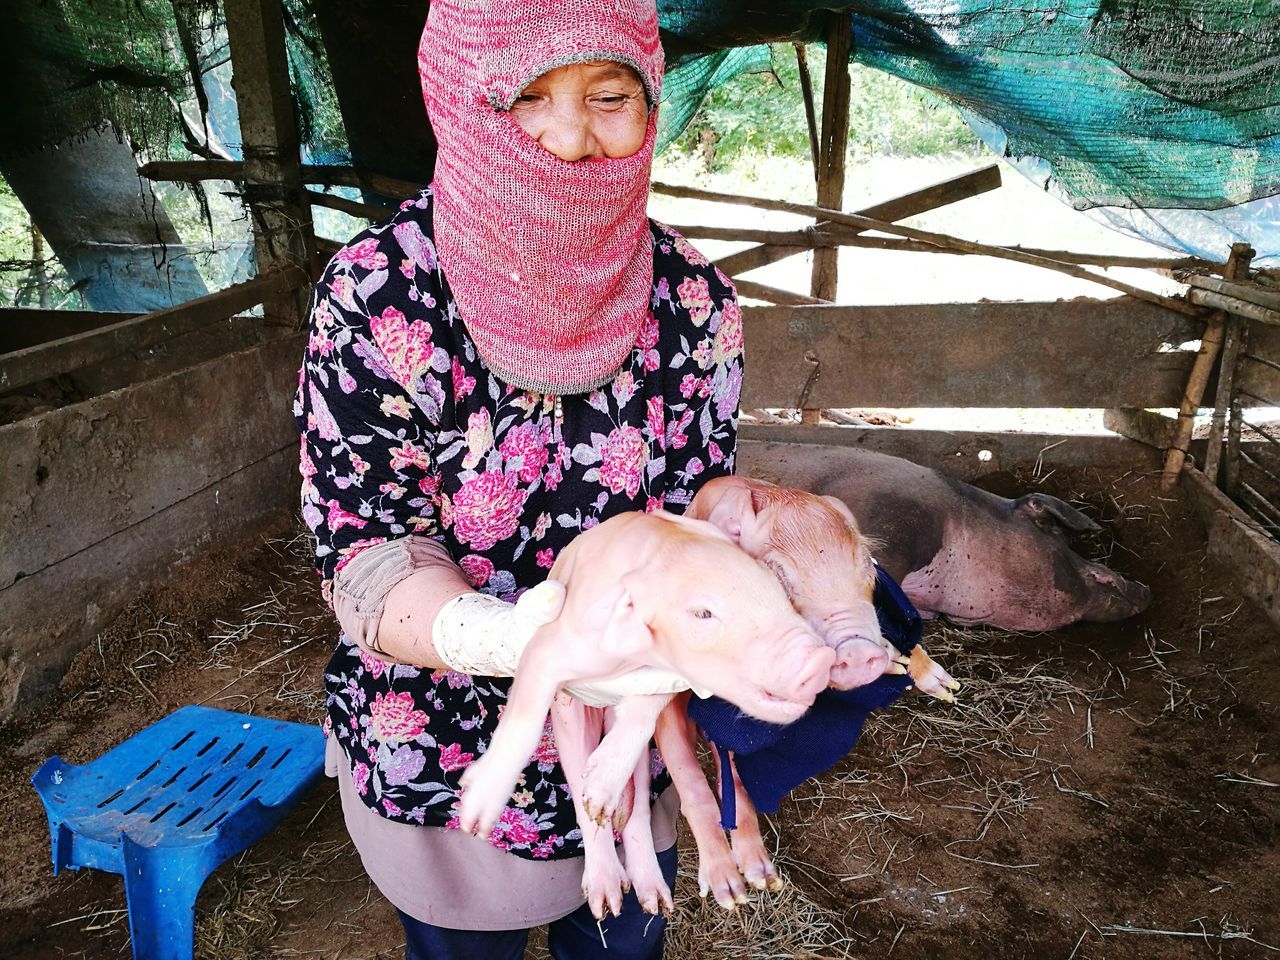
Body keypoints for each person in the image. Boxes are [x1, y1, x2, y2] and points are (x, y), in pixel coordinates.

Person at [294, 1, 744, 957]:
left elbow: (700, 508)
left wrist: (768, 565)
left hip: (631, 746)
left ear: (652, 100)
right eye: (525, 97)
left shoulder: (695, 300)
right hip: (448, 756)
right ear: (458, 100)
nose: (572, 140)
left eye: (610, 96)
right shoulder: (378, 295)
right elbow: (366, 551)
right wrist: (505, 636)